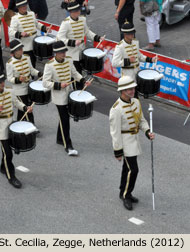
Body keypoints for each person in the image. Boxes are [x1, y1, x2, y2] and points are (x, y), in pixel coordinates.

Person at [109, 75, 155, 210]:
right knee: (133, 170)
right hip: (125, 142)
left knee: (127, 168)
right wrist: (117, 151)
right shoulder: (116, 109)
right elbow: (115, 132)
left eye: (133, 88)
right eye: (129, 89)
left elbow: (141, 120)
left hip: (134, 139)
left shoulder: (135, 102)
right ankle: (126, 195)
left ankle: (122, 190)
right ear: (122, 91)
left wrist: (147, 132)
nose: (132, 91)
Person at [0, 69, 32, 189]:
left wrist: (25, 108)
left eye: (2, 81)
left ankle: (2, 167)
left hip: (11, 125)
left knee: (7, 152)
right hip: (1, 129)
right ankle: (11, 177)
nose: (2, 84)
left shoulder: (10, 91)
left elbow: (16, 103)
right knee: (8, 153)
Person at [42, 40, 92, 156]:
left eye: (64, 51)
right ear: (55, 53)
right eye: (61, 52)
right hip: (59, 97)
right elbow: (45, 83)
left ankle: (60, 138)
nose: (64, 54)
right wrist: (58, 85)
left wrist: (84, 81)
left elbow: (75, 74)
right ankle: (68, 145)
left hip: (69, 93)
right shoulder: (49, 66)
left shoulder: (69, 60)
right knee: (65, 120)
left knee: (65, 118)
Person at [57, 0, 103, 74]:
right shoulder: (65, 23)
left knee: (80, 73)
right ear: (71, 12)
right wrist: (73, 42)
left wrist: (97, 37)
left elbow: (87, 32)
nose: (79, 12)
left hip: (81, 51)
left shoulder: (82, 19)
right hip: (71, 54)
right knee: (75, 75)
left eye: (79, 10)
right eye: (76, 11)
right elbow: (60, 38)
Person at [6, 39, 42, 123]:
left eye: (21, 48)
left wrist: (39, 73)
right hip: (19, 90)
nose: (21, 50)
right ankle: (31, 126)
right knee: (26, 108)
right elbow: (9, 78)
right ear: (14, 52)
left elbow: (32, 70)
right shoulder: (10, 63)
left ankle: (19, 126)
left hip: (28, 87)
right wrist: (18, 79)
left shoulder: (27, 57)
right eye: (19, 49)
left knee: (23, 109)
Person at [9, 0, 50, 68]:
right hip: (25, 47)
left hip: (34, 45)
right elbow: (10, 32)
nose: (25, 7)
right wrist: (20, 33)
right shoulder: (15, 18)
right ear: (18, 8)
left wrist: (45, 28)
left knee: (33, 64)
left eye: (25, 5)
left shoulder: (31, 14)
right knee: (26, 66)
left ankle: (33, 77)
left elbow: (36, 24)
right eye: (22, 6)